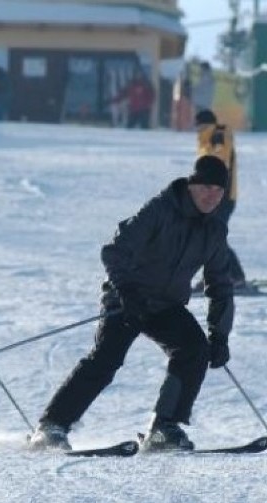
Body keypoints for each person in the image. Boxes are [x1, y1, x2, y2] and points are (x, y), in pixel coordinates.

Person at [29, 155, 236, 453]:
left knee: (194, 349)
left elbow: (220, 285)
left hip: (166, 305)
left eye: (218, 191)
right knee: (106, 358)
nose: (211, 196)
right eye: (205, 187)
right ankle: (51, 427)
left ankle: (164, 427)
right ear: (191, 185)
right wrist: (126, 291)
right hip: (128, 298)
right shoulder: (161, 209)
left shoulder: (214, 231)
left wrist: (220, 335)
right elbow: (114, 251)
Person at [194, 109, 246, 288]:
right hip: (210, 197)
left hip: (223, 197)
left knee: (213, 236)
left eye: (199, 125)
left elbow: (217, 164)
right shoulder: (205, 140)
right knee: (209, 236)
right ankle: (216, 275)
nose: (197, 129)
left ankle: (235, 276)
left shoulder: (218, 135)